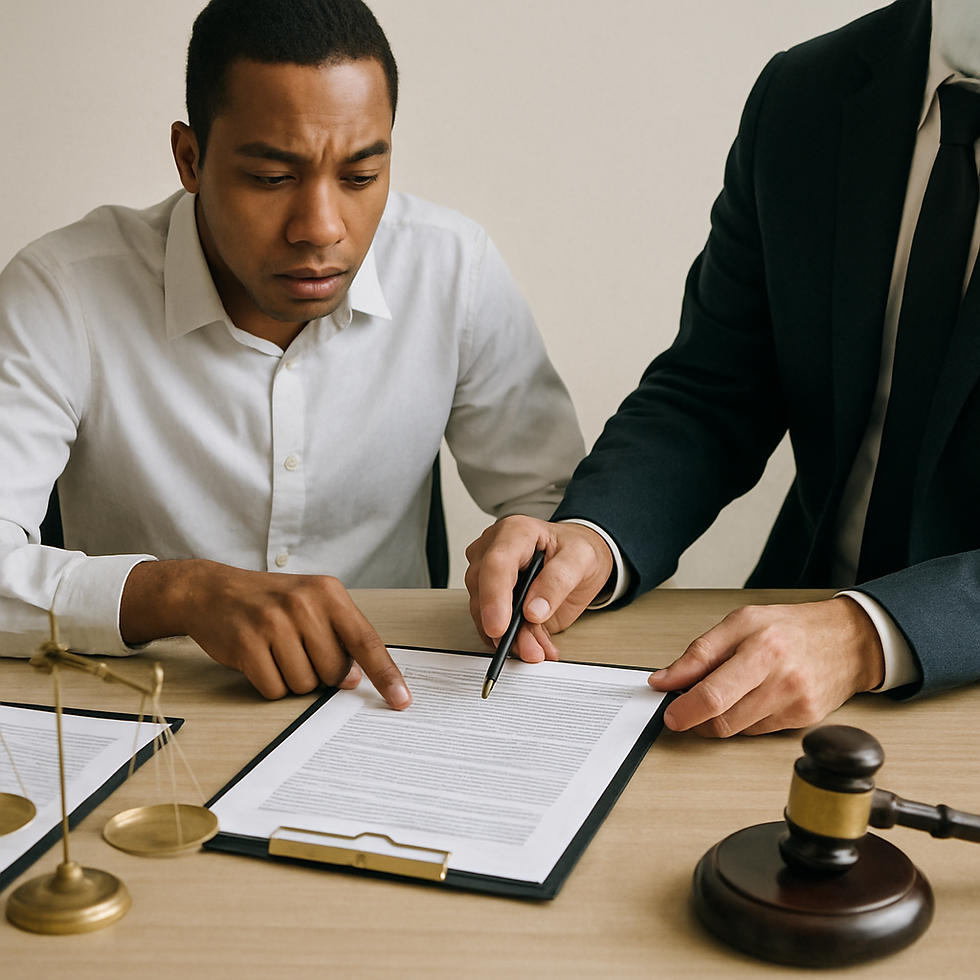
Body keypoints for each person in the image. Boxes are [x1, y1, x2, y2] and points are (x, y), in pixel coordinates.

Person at [0, 0, 584, 706]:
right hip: (154, 706)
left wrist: (537, 550)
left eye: (361, 176)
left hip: (395, 705)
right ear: (190, 158)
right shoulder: (63, 290)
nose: (321, 228)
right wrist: (179, 591)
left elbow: (553, 507)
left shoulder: (451, 267)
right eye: (272, 179)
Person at [466, 0, 980, 737]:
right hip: (778, 647)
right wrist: (596, 534)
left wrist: (870, 635)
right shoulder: (805, 92)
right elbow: (714, 389)